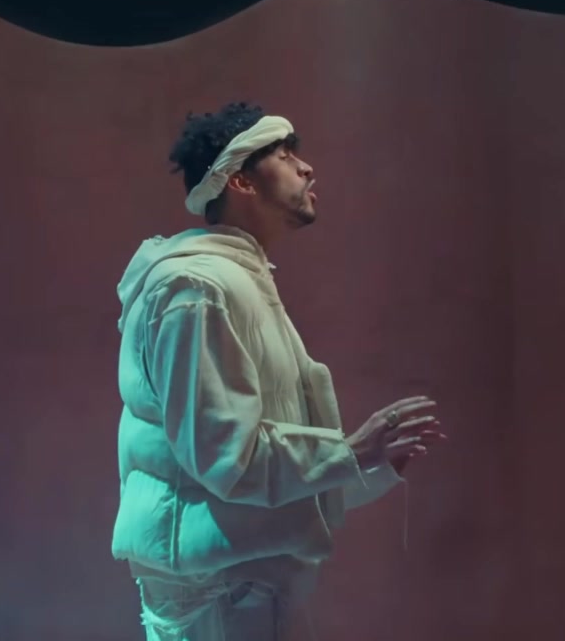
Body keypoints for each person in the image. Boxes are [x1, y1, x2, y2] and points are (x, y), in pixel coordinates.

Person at [112, 102, 446, 640]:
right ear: (240, 179)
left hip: (244, 593)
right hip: (219, 601)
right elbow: (225, 457)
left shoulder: (233, 282)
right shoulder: (197, 289)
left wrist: (367, 465)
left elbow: (247, 476)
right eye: (284, 155)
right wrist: (351, 452)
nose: (306, 167)